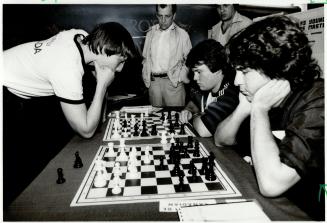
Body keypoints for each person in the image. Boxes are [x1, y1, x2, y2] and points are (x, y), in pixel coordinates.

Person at [3, 22, 137, 207]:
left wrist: (101, 83)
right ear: (104, 49)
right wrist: (102, 85)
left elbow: (100, 117)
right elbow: (87, 130)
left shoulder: (81, 37)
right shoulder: (67, 67)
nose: (120, 68)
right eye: (120, 60)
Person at [214, 16, 324, 220]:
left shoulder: (318, 102)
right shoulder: (262, 93)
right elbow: (221, 140)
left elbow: (271, 184)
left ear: (276, 71)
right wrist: (243, 108)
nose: (237, 81)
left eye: (244, 72)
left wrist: (259, 109)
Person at [180, 39, 239, 137]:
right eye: (194, 72)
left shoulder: (231, 92)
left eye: (199, 72)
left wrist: (196, 115)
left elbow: (203, 130)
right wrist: (188, 111)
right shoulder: (206, 86)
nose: (195, 78)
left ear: (217, 68)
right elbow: (193, 104)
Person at [142, 4, 192, 107]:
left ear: (174, 16)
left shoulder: (182, 35)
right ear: (156, 15)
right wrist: (146, 77)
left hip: (173, 84)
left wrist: (179, 77)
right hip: (153, 84)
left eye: (167, 16)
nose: (163, 20)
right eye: (160, 16)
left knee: (175, 119)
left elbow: (190, 60)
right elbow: (145, 58)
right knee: (155, 119)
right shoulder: (150, 33)